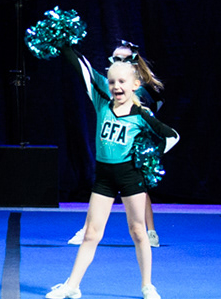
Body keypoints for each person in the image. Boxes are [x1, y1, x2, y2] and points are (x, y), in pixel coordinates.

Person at [45, 51, 178, 299]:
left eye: (122, 82)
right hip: (104, 178)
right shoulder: (102, 103)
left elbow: (172, 136)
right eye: (112, 82)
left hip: (130, 176)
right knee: (91, 233)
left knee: (138, 231)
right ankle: (72, 285)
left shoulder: (141, 114)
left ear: (135, 85)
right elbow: (83, 70)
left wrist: (149, 154)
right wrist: (65, 45)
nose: (116, 86)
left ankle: (147, 285)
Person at [66, 43, 166, 247]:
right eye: (115, 59)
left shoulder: (141, 87)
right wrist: (68, 48)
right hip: (113, 142)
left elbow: (156, 104)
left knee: (140, 187)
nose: (118, 62)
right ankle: (87, 229)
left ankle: (150, 232)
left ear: (133, 62)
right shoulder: (109, 84)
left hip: (135, 143)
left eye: (123, 59)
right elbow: (89, 74)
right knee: (103, 188)